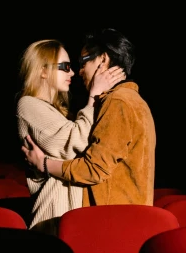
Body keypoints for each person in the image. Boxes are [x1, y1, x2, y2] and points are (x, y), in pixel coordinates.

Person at [22, 28, 156, 213]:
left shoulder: (117, 101)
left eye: (82, 62)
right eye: (66, 67)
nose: (79, 71)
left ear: (103, 59)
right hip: (120, 217)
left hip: (112, 219)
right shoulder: (131, 100)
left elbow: (93, 168)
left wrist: (44, 164)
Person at [16, 39, 125, 232]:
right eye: (65, 67)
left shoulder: (60, 112)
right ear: (43, 70)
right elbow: (76, 141)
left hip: (74, 212)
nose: (72, 73)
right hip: (54, 214)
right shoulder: (28, 104)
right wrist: (93, 96)